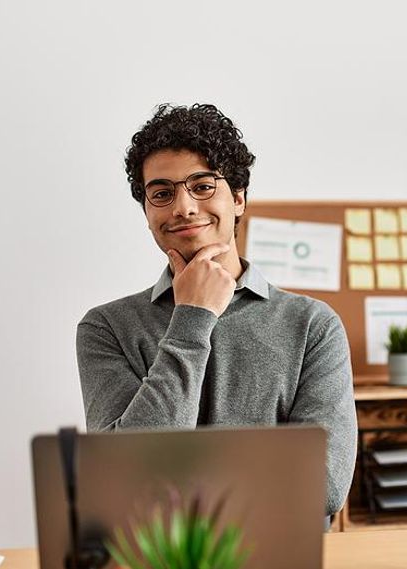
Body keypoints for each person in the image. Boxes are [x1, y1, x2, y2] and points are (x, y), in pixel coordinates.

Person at [76, 103, 357, 518]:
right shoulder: (106, 328)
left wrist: (174, 482)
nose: (183, 207)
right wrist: (192, 317)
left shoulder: (313, 326)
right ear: (147, 211)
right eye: (162, 193)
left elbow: (322, 489)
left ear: (239, 198)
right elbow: (128, 480)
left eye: (203, 186)